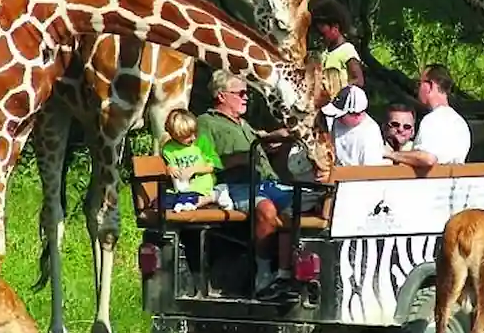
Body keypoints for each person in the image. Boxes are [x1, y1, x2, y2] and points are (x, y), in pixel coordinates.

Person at [195, 69, 299, 294]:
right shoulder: (205, 123)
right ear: (221, 95)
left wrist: (274, 141)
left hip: (268, 182)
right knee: (265, 208)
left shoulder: (244, 124)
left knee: (305, 200)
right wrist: (240, 158)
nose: (245, 97)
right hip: (235, 187)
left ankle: (290, 270)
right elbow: (203, 161)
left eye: (246, 93)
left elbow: (262, 147)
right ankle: (263, 273)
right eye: (240, 93)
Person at [386, 63, 471, 168]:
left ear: (430, 86)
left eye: (419, 84)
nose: (417, 89)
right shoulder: (461, 123)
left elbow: (428, 158)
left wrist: (390, 154)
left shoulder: (432, 120)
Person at [159, 109, 233, 211]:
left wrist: (193, 169)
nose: (193, 138)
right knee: (163, 202)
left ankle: (215, 195)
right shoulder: (168, 148)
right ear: (174, 135)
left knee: (188, 200)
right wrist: (170, 169)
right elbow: (170, 165)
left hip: (202, 183)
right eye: (187, 136)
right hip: (181, 186)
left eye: (194, 132)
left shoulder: (201, 141)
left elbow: (214, 165)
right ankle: (188, 202)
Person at [322, 84, 388, 167]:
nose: (337, 118)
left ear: (357, 115)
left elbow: (370, 173)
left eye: (341, 115)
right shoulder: (338, 121)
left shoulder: (369, 135)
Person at [311, 0, 364, 88]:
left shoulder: (347, 50)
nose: (320, 38)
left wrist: (339, 88)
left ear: (335, 27)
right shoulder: (324, 53)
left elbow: (359, 80)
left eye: (323, 34)